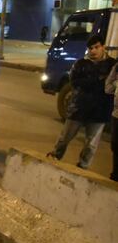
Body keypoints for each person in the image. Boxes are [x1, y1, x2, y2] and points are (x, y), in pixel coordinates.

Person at [48, 35, 115, 169]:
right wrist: (99, 82)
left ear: (103, 47)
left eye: (96, 47)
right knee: (64, 138)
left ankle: (83, 167)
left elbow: (111, 85)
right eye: (90, 48)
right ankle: (54, 159)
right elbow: (75, 82)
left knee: (91, 144)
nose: (93, 51)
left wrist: (94, 83)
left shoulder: (112, 65)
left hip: (100, 111)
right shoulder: (81, 64)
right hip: (78, 108)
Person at [105, 57, 118, 181]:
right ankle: (115, 175)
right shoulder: (116, 67)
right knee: (115, 146)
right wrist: (116, 83)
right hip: (116, 115)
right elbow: (108, 88)